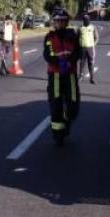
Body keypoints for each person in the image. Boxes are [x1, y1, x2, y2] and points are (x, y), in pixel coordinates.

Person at [42, 9, 82, 146]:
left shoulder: (73, 35)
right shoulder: (49, 37)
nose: (59, 23)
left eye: (62, 20)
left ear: (66, 22)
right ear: (54, 22)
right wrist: (58, 62)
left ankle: (67, 120)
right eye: (57, 20)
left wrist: (70, 61)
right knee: (55, 104)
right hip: (55, 75)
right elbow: (47, 54)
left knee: (72, 104)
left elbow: (78, 52)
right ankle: (58, 134)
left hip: (70, 74)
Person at [78, 14, 99, 84]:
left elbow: (96, 37)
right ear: (83, 20)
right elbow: (77, 38)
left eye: (87, 19)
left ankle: (92, 78)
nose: (86, 21)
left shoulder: (93, 27)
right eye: (85, 19)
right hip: (82, 48)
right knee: (82, 63)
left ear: (89, 20)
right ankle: (81, 76)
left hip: (90, 48)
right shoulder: (80, 28)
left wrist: (93, 44)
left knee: (91, 63)